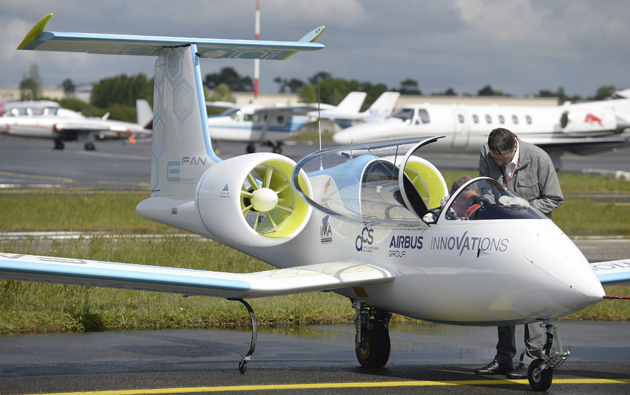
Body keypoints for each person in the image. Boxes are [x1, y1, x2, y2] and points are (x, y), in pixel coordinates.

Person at [474, 128, 564, 379]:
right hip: (502, 235)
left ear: (515, 147)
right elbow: (485, 188)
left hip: (532, 236)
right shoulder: (486, 153)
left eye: (502, 160)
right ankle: (503, 358)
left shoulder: (539, 158)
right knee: (504, 294)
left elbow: (555, 198)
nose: (498, 163)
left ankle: (531, 359)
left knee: (531, 295)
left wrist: (522, 208)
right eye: (495, 159)